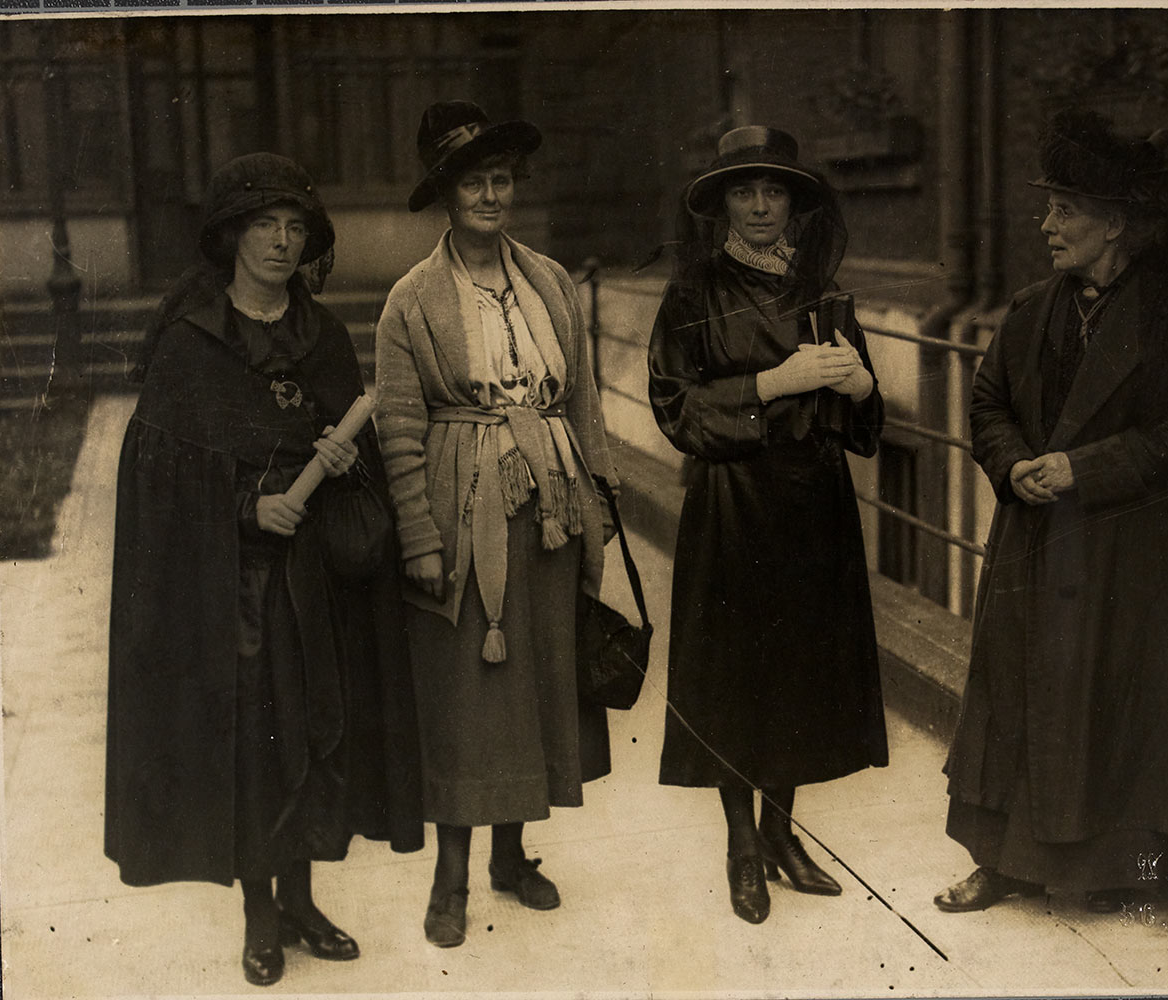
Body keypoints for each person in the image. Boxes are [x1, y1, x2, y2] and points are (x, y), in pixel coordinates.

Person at [106, 153, 424, 987]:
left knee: (318, 727)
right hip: (233, 588)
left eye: (295, 229)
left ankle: (303, 899)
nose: (281, 244)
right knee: (254, 742)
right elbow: (156, 481)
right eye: (264, 226)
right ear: (230, 236)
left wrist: (339, 463)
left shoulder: (321, 338)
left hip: (314, 580)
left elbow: (365, 464)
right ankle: (258, 914)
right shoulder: (192, 343)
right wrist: (247, 509)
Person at [936, 110, 1168, 915]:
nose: (1046, 225)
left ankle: (1100, 870)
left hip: (1127, 545)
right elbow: (987, 399)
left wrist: (1078, 468)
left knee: (1110, 697)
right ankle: (997, 860)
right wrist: (1012, 465)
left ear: (1116, 224)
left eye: (1064, 210)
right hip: (1035, 536)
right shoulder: (1033, 306)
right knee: (1014, 697)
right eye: (1049, 208)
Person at [374, 101, 617, 949]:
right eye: (472, 181)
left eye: (500, 178)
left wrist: (598, 499)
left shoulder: (548, 280)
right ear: (445, 195)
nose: (489, 194)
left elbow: (583, 398)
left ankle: (512, 859)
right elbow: (399, 433)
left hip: (549, 511)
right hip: (460, 504)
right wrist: (418, 534)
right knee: (469, 695)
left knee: (539, 680)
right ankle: (451, 879)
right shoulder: (411, 301)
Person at [647, 126, 889, 925]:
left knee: (799, 671)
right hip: (734, 504)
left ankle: (783, 834)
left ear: (794, 204)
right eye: (744, 192)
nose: (759, 206)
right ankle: (740, 845)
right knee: (734, 674)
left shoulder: (824, 291)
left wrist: (859, 389)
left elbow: (864, 426)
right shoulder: (693, 293)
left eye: (774, 191)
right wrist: (770, 383)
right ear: (720, 204)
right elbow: (675, 410)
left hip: (812, 504)